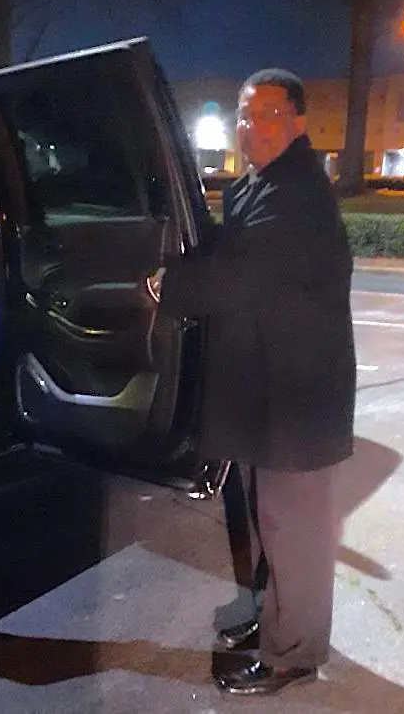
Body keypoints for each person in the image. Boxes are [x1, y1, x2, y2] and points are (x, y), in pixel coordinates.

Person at [160, 68, 355, 696]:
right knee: (275, 527)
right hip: (270, 390)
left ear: (298, 121)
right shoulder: (258, 185)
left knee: (295, 534)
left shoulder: (298, 194)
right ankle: (275, 619)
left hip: (299, 397)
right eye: (245, 115)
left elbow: (243, 275)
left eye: (269, 114)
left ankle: (293, 654)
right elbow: (228, 253)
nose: (253, 126)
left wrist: (170, 286)